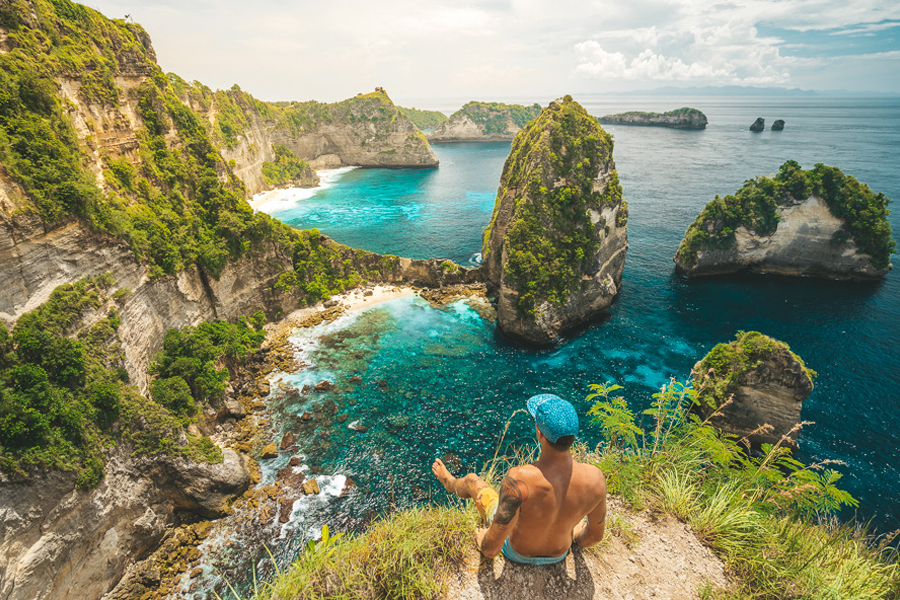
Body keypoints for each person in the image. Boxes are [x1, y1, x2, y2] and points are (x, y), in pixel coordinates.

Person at [432, 393, 607, 565]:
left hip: (517, 554)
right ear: (573, 436)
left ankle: (449, 482)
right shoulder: (596, 479)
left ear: (539, 433)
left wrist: (483, 539)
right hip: (559, 554)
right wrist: (572, 538)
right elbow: (594, 536)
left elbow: (491, 550)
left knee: (472, 481)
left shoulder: (520, 478)